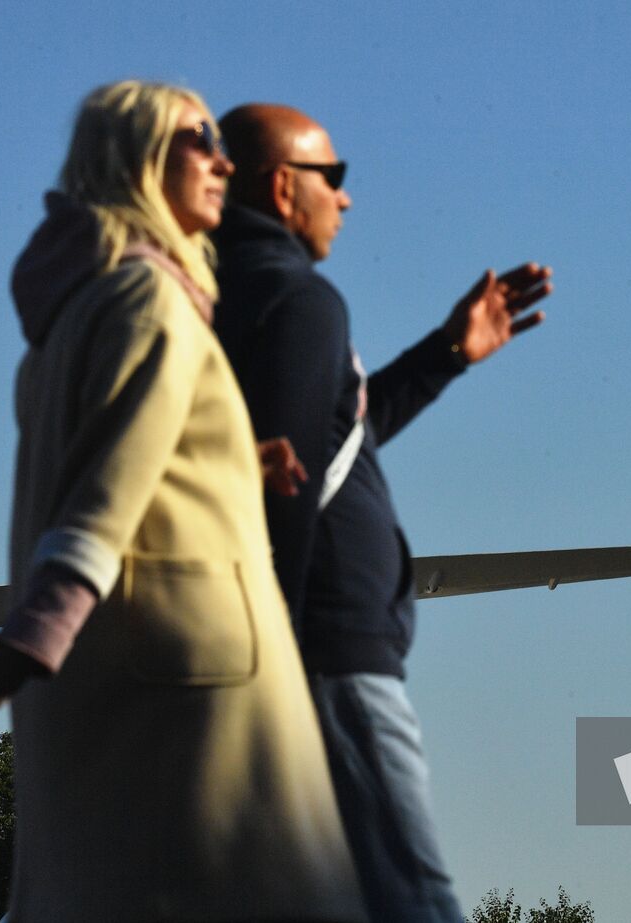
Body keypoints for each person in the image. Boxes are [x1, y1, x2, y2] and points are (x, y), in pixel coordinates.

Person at [0, 82, 365, 923]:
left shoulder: (66, 321)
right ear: (138, 162)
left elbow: (119, 456)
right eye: (199, 140)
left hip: (101, 666)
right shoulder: (151, 297)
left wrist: (234, 459)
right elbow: (109, 486)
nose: (222, 162)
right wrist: (33, 634)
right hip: (196, 672)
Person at [211, 103, 552, 922]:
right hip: (327, 659)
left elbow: (327, 443)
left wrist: (445, 355)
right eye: (336, 177)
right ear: (282, 186)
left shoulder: (217, 298)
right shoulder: (300, 300)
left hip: (286, 652)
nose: (348, 199)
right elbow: (284, 490)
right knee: (414, 898)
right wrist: (275, 670)